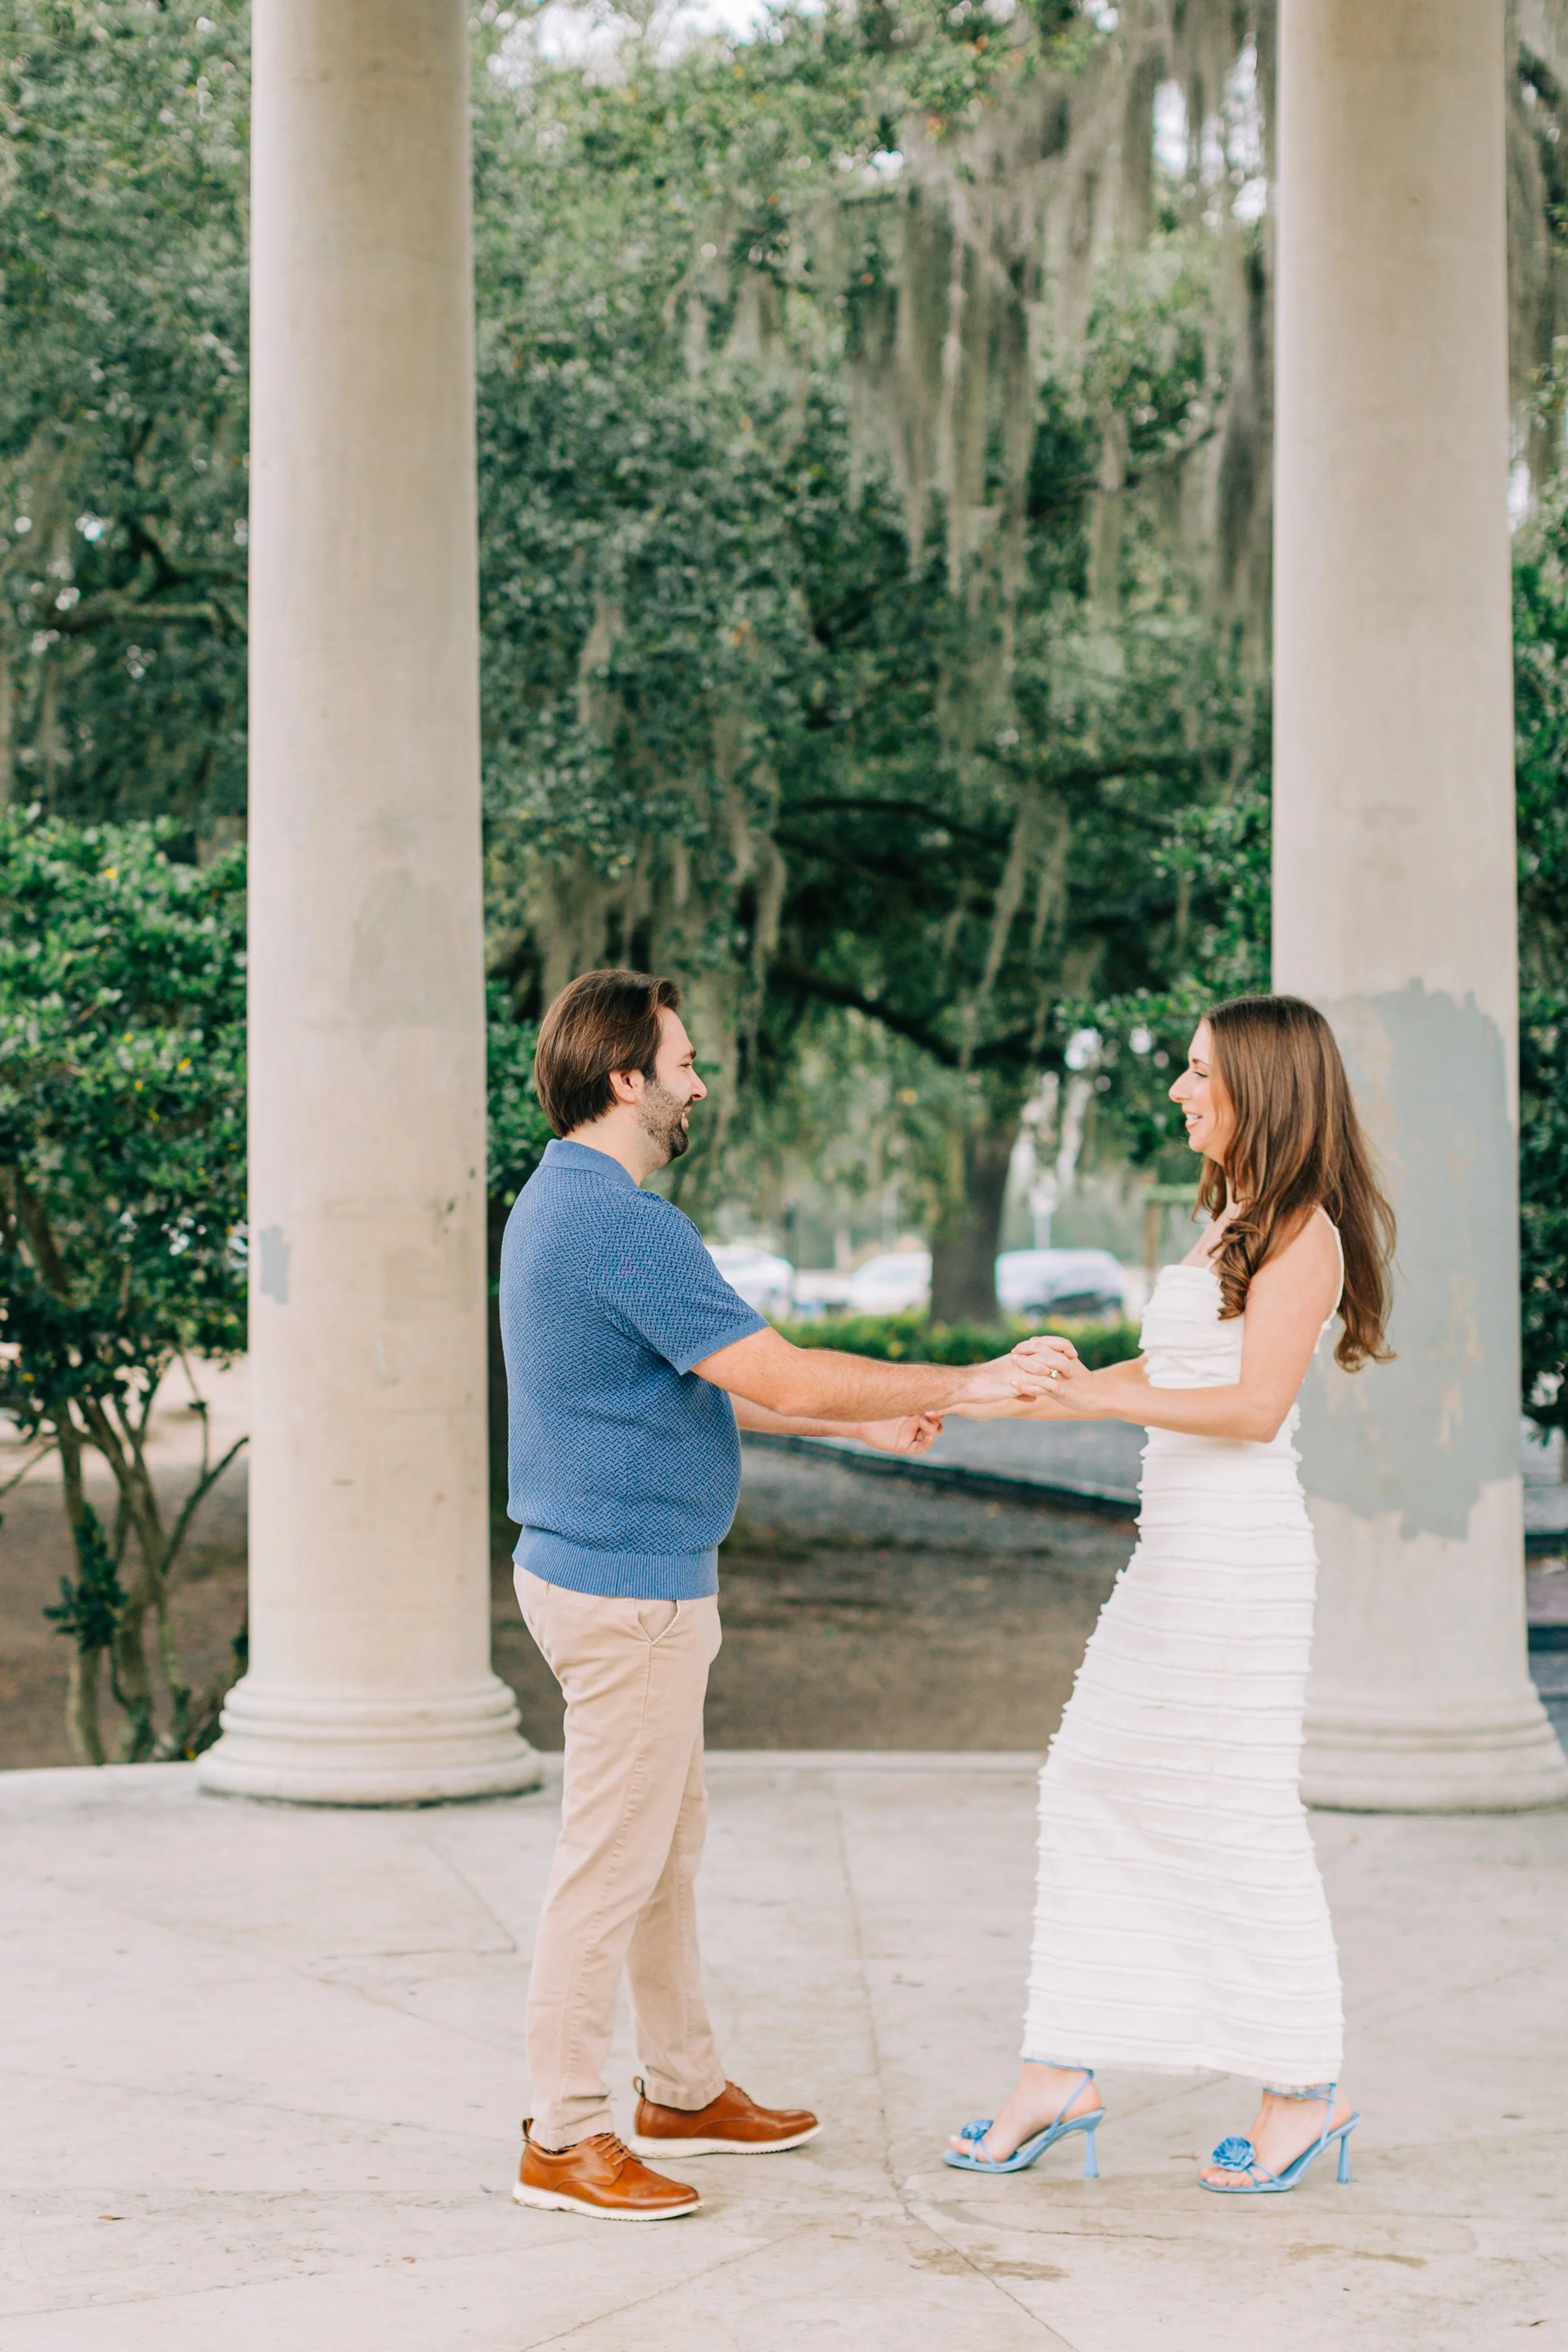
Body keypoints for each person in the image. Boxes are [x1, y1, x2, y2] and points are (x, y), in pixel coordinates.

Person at [502, 967, 1024, 2222]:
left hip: (619, 1576)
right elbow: (780, 1373)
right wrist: (965, 1383)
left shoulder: (559, 1201)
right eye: (682, 1062)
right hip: (627, 1598)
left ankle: (680, 2089)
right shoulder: (624, 1220)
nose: (696, 1083)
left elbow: (698, 1382)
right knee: (611, 1863)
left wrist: (885, 1414)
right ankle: (561, 2133)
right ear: (624, 1076)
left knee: (659, 1855)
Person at [943, 994, 1395, 2196]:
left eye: (1200, 1073)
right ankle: (1061, 2066)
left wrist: (1100, 1403)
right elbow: (1183, 1365)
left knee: (1237, 1809)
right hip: (1177, 1554)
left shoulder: (1306, 1234)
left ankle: (1304, 2086)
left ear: (1263, 1086)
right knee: (1087, 1776)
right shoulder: (1231, 1220)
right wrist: (1070, 1381)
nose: (1183, 1092)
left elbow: (1252, 1408)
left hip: (1239, 1566)